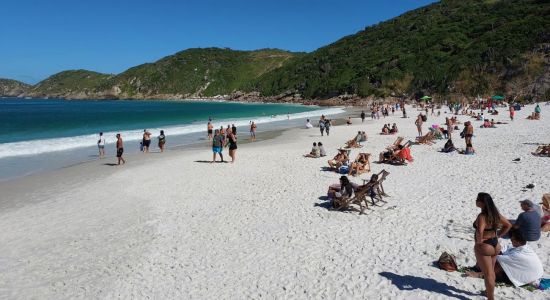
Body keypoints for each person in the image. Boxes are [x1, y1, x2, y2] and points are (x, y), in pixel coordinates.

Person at [467, 229, 544, 288]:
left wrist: (494, 250)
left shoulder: (519, 255)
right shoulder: (525, 247)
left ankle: (480, 274)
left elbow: (497, 258)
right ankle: (479, 268)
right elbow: (507, 248)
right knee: (494, 258)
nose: (511, 240)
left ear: (518, 241)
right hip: (535, 273)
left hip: (528, 278)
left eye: (512, 239)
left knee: (497, 264)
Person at [471, 192, 512, 300]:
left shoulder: (482, 216)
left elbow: (479, 232)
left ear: (482, 203)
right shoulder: (495, 214)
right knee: (491, 271)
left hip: (485, 246)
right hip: (495, 244)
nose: (475, 201)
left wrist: (478, 244)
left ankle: (490, 298)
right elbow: (508, 225)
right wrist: (498, 236)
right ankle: (487, 291)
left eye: (477, 199)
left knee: (488, 273)